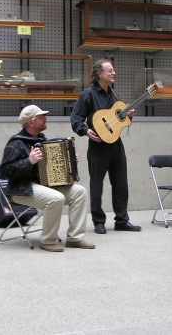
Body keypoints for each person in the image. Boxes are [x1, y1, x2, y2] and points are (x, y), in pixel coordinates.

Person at [0, 105, 95, 252]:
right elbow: (5, 171)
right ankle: (48, 241)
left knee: (79, 192)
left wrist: (69, 159)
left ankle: (75, 238)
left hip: (44, 184)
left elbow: (51, 165)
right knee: (56, 198)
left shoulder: (42, 139)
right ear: (31, 122)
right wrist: (28, 161)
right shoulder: (16, 143)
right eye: (41, 117)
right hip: (23, 188)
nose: (45, 119)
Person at [70, 58, 141, 234]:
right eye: (110, 70)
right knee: (96, 185)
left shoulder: (114, 95)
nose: (114, 73)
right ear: (99, 74)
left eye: (113, 70)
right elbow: (75, 119)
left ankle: (122, 220)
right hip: (98, 146)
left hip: (116, 145)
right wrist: (86, 131)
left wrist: (128, 115)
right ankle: (98, 222)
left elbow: (118, 121)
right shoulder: (87, 95)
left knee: (121, 183)